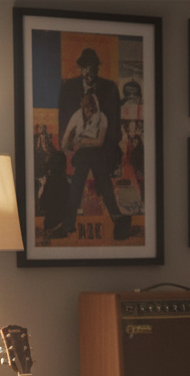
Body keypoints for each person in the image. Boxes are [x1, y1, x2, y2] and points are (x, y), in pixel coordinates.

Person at [51, 47, 130, 241]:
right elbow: (65, 125)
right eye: (85, 67)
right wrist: (69, 146)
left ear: (97, 68)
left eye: (93, 67)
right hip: (81, 151)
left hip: (101, 149)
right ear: (80, 69)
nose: (89, 72)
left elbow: (114, 127)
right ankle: (117, 218)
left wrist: (100, 146)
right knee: (84, 182)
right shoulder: (70, 88)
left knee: (94, 181)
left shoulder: (110, 88)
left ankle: (70, 225)